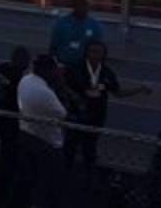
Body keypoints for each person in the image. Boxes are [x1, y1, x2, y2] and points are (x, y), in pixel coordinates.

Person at [64, 40, 149, 175]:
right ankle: (64, 173)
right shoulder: (76, 68)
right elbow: (64, 85)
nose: (95, 55)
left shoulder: (107, 73)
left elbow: (118, 93)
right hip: (77, 113)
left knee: (90, 147)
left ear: (104, 55)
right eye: (92, 51)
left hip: (97, 115)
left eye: (99, 52)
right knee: (70, 145)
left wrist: (139, 89)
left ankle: (88, 176)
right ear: (86, 52)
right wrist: (75, 98)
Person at [11, 55, 67, 208]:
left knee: (27, 178)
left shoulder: (26, 80)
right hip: (46, 142)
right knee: (44, 182)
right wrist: (60, 85)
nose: (57, 72)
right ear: (46, 70)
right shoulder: (44, 93)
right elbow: (63, 113)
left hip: (26, 133)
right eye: (55, 69)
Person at [0, 46, 31, 200]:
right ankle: (4, 190)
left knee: (14, 154)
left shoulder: (9, 71)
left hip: (16, 118)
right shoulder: (8, 71)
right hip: (10, 118)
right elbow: (13, 89)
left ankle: (6, 189)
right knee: (9, 154)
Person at [49, 0, 103, 67]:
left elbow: (98, 49)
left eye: (84, 5)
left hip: (84, 68)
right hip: (62, 65)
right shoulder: (61, 23)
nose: (82, 8)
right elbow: (53, 47)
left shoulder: (94, 26)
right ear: (74, 6)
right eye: (79, 4)